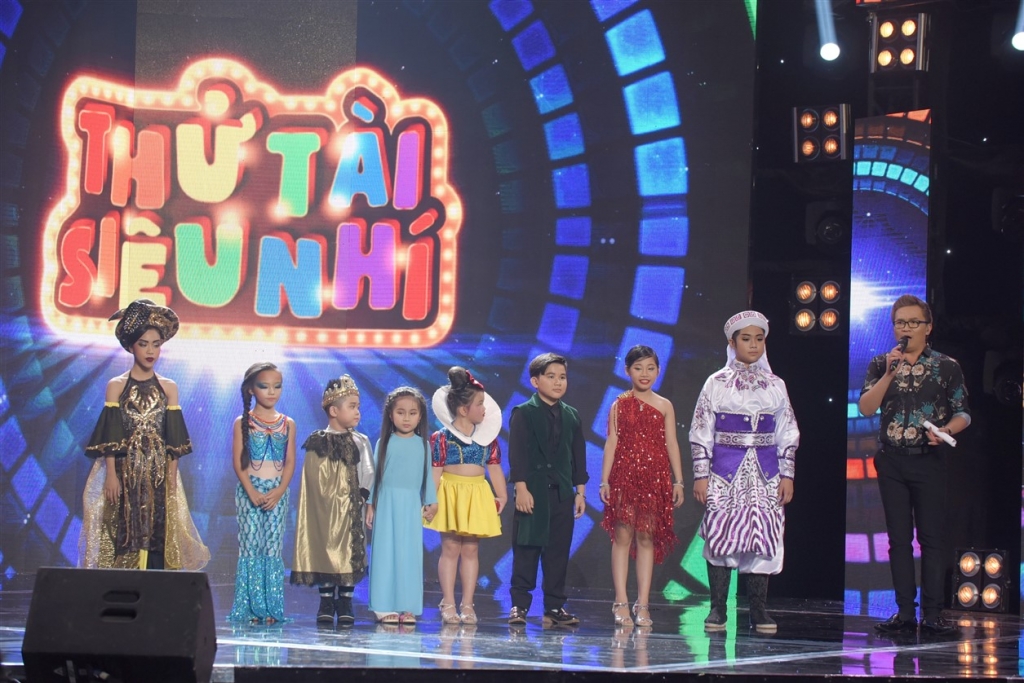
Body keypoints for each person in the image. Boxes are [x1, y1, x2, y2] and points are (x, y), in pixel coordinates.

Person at [858, 294, 970, 637]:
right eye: (900, 323)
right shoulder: (881, 363)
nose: (905, 329)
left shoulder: (946, 366)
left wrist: (946, 430)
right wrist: (889, 374)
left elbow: (963, 413)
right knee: (898, 539)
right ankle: (905, 612)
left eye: (912, 322)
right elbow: (866, 407)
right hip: (891, 460)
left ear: (928, 327)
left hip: (928, 460)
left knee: (931, 538)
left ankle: (933, 613)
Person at [690, 310, 799, 633]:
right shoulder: (716, 383)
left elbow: (787, 431)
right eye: (746, 338)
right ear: (732, 342)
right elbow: (701, 430)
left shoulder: (776, 385)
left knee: (763, 535)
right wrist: (701, 475)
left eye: (759, 339)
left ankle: (758, 611)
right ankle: (718, 609)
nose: (753, 345)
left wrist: (787, 474)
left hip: (766, 474)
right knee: (721, 535)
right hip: (725, 473)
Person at [79, 298, 209, 571]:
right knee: (124, 527)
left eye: (156, 344)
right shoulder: (116, 386)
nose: (150, 351)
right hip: (125, 471)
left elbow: (174, 439)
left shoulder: (169, 387)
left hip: (158, 471)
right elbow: (111, 434)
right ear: (131, 346)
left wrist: (171, 478)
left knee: (157, 529)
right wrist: (111, 475)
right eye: (143, 344)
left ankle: (154, 586)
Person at [600, 345, 685, 627]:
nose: (644, 373)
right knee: (622, 536)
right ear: (627, 371)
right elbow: (611, 442)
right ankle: (621, 601)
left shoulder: (665, 405)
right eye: (638, 368)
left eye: (650, 368)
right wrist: (604, 480)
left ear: (658, 371)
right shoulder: (619, 404)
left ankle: (644, 603)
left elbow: (671, 443)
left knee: (646, 537)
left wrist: (678, 480)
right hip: (624, 478)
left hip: (654, 479)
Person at [507, 353, 590, 628]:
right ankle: (519, 606)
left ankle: (554, 607)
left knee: (558, 553)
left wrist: (580, 492)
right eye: (551, 376)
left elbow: (578, 456)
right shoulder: (524, 412)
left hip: (562, 494)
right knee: (526, 549)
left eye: (562, 377)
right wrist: (521, 487)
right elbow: (517, 453)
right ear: (535, 381)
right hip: (533, 493)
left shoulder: (572, 415)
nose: (558, 382)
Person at [291, 374, 374, 626]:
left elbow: (368, 471)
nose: (357, 412)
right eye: (352, 406)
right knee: (324, 549)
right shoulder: (317, 441)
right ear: (334, 411)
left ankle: (345, 601)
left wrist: (363, 497)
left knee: (349, 552)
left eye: (358, 407)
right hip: (324, 511)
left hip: (351, 508)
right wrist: (320, 504)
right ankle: (326, 601)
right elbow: (311, 478)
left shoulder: (360, 441)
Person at [426, 367, 508, 625]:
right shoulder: (442, 438)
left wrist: (502, 495)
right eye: (480, 404)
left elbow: (494, 467)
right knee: (451, 547)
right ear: (463, 410)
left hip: (477, 493)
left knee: (471, 549)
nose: (485, 409)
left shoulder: (488, 438)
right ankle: (448, 601)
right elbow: (435, 470)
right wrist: (431, 499)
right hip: (451, 492)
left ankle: (468, 603)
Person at [228, 362, 297, 625]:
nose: (271, 392)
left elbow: (290, 461)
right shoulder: (242, 422)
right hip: (251, 490)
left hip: (277, 491)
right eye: (264, 386)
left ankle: (271, 609)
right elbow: (238, 462)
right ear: (251, 389)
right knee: (250, 546)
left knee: (272, 547)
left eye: (277, 386)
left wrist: (279, 491)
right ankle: (250, 608)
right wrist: (251, 491)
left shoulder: (288, 423)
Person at [365, 387, 439, 624]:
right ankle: (382, 605)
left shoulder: (423, 445)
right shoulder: (384, 443)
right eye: (401, 412)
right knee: (384, 553)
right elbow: (375, 476)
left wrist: (431, 501)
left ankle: (408, 605)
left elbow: (427, 477)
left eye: (412, 413)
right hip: (386, 504)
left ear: (420, 416)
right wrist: (370, 504)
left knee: (409, 555)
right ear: (390, 415)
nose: (406, 418)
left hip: (410, 505)